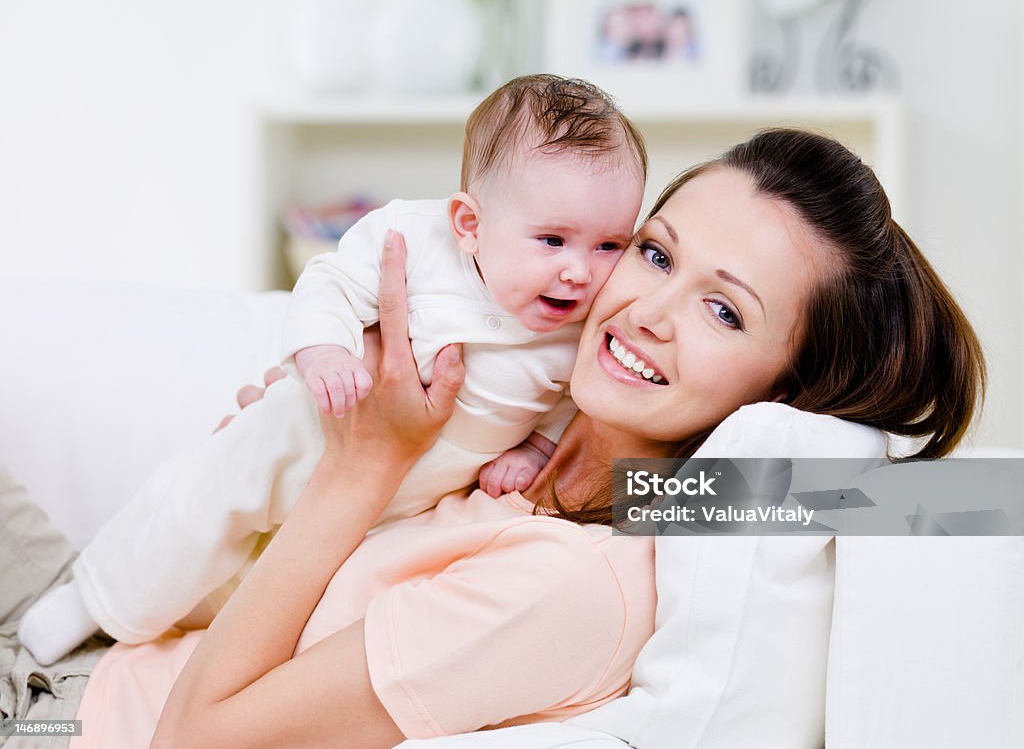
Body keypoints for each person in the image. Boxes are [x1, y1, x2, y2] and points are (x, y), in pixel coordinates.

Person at [2, 129, 984, 747]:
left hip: (60, 713)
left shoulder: (570, 583)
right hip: (92, 628)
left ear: (784, 388)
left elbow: (196, 738)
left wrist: (358, 467)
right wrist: (298, 447)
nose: (645, 308)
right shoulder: (526, 430)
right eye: (653, 252)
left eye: (723, 313)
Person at [17, 74, 648, 667]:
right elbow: (333, 283)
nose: (580, 271)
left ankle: (171, 639)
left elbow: (573, 399)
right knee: (206, 499)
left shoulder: (589, 328)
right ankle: (97, 598)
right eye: (553, 241)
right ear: (470, 225)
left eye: (609, 245)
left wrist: (538, 447)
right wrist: (324, 351)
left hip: (416, 496)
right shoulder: (412, 239)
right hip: (317, 422)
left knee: (274, 581)